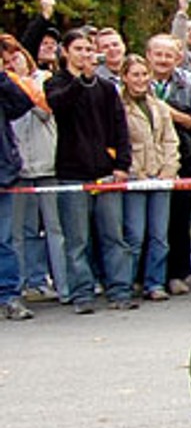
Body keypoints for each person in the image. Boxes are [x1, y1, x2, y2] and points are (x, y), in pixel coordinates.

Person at [44, 29, 136, 312]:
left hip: (105, 170)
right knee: (77, 239)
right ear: (66, 52)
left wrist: (122, 163)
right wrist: (81, 80)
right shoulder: (56, 83)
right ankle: (82, 293)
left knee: (113, 236)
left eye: (88, 49)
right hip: (72, 171)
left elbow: (120, 127)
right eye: (79, 49)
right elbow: (59, 104)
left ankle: (120, 290)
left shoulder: (107, 88)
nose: (85, 55)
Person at [147, 33, 191, 297]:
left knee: (180, 220)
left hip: (187, 159)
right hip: (147, 161)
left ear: (178, 58)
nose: (163, 60)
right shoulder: (135, 81)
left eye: (168, 55)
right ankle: (148, 277)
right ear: (148, 55)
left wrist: (172, 115)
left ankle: (177, 273)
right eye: (158, 54)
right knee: (149, 223)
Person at [4, 34, 64, 305]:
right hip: (19, 168)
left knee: (49, 228)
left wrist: (14, 81)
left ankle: (56, 285)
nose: (11, 60)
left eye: (15, 54)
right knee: (18, 232)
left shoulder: (40, 82)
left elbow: (32, 109)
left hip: (38, 164)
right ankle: (25, 282)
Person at [118, 55, 180, 300]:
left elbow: (169, 140)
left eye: (144, 74)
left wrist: (169, 168)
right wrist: (135, 171)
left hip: (160, 176)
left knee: (159, 236)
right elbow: (120, 142)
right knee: (134, 235)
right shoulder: (119, 107)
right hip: (135, 177)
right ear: (125, 77)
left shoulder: (159, 107)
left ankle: (155, 283)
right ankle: (127, 282)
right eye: (135, 74)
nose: (141, 79)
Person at [0, 56, 39, 319]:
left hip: (1, 172)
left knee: (3, 240)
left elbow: (22, 103)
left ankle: (9, 296)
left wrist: (2, 77)